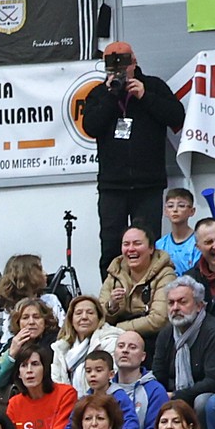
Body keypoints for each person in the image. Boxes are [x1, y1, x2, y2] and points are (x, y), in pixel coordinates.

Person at [77, 40, 184, 269]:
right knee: (111, 247)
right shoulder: (99, 93)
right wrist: (110, 96)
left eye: (123, 64)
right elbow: (90, 127)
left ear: (134, 62)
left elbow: (177, 117)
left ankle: (148, 288)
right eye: (112, 66)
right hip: (112, 186)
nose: (119, 71)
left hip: (148, 184)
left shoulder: (154, 86)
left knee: (147, 245)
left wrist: (145, 96)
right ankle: (112, 290)